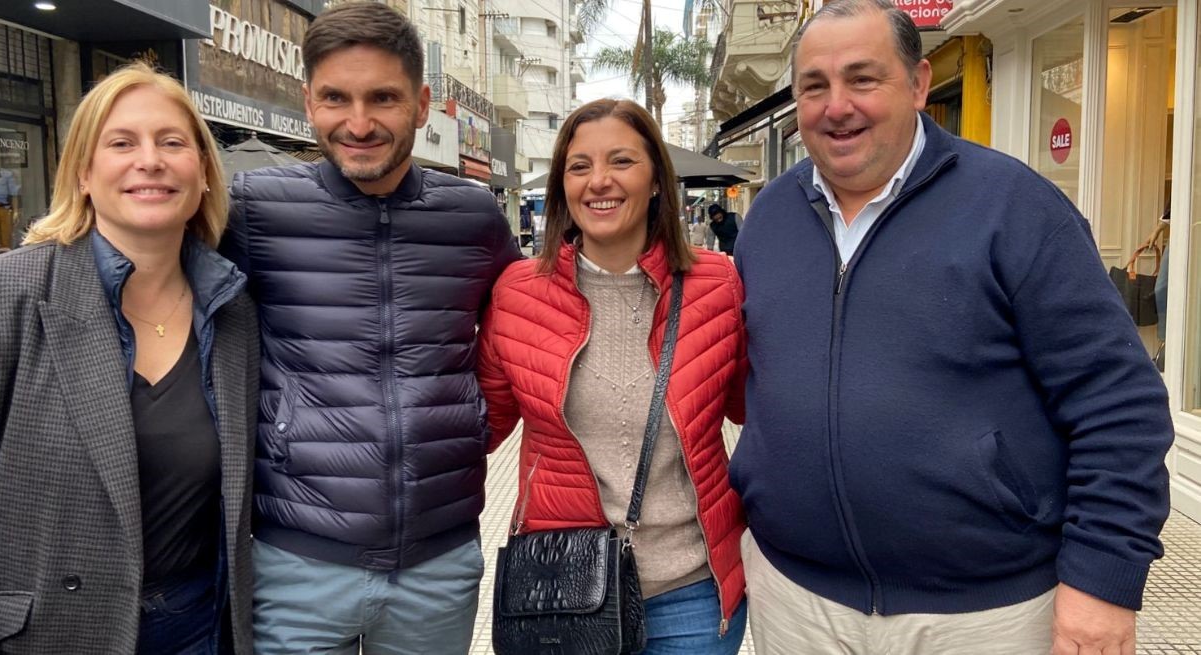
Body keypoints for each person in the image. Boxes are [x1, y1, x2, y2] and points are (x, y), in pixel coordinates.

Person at [731, 2, 1174, 654]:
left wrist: (1103, 580)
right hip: (796, 601)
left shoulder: (1015, 209)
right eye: (814, 86)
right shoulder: (767, 220)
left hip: (986, 615)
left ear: (917, 83)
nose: (837, 105)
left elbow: (1119, 406)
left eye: (863, 79)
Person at [0, 62, 258, 654]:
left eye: (173, 142)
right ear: (85, 174)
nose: (150, 159)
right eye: (121, 143)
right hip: (47, 636)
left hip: (201, 627)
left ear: (202, 174)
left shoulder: (234, 311)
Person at [218, 3, 520, 653]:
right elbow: (148, 281)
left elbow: (529, 331)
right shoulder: (251, 209)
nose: (358, 123)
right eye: (335, 98)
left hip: (438, 565)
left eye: (383, 97)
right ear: (307, 101)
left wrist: (466, 424)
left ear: (422, 103)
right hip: (296, 562)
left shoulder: (474, 216)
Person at [477, 98, 749, 653]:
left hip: (693, 592)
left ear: (655, 181)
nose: (599, 181)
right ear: (562, 186)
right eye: (579, 167)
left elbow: (761, 410)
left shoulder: (718, 285)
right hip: (563, 588)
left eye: (622, 161)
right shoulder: (517, 292)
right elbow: (481, 425)